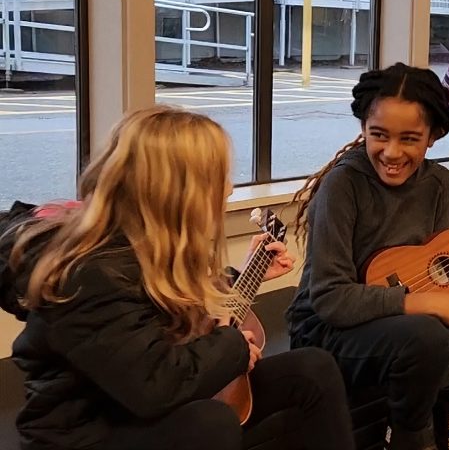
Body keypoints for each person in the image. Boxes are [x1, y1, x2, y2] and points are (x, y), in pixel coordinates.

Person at [0, 106, 356, 450]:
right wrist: (232, 348)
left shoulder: (148, 244)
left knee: (313, 369)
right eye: (219, 177)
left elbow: (159, 313)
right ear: (176, 190)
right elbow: (152, 385)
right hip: (88, 431)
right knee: (209, 425)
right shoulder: (89, 274)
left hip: (142, 405)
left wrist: (241, 276)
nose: (230, 189)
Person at [286, 63, 449, 450]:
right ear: (363, 129)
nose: (392, 152)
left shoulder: (438, 183)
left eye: (409, 139)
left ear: (433, 137)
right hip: (328, 330)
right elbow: (329, 298)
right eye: (379, 135)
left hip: (401, 315)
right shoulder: (342, 186)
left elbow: (442, 270)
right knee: (428, 334)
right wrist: (421, 302)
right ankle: (409, 439)